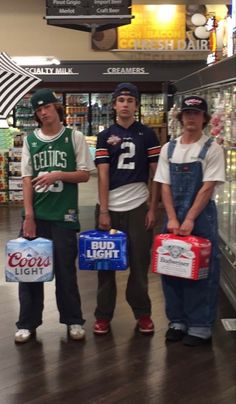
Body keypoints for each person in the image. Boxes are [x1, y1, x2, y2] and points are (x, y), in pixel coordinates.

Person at [15, 88, 95, 343]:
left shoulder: (75, 137)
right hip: (37, 215)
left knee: (65, 272)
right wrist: (29, 215)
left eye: (47, 107)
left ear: (56, 108)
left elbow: (84, 174)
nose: (43, 113)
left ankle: (73, 320)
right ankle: (27, 323)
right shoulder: (31, 140)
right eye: (38, 110)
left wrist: (58, 174)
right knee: (28, 271)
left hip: (65, 216)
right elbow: (27, 180)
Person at [154, 95, 225, 346]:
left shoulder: (212, 148)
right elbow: (164, 186)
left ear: (204, 118)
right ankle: (177, 320)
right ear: (180, 117)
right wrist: (172, 217)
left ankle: (200, 324)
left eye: (196, 114)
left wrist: (190, 218)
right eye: (187, 113)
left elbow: (207, 188)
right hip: (174, 218)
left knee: (202, 270)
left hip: (201, 217)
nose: (191, 118)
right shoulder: (169, 148)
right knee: (171, 266)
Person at [94, 82, 161, 335]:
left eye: (130, 100)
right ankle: (103, 315)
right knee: (104, 264)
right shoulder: (104, 135)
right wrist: (103, 210)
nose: (125, 104)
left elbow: (156, 174)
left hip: (138, 206)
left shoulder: (147, 134)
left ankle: (143, 313)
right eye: (121, 100)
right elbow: (102, 175)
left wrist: (153, 208)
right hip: (110, 206)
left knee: (139, 264)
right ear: (114, 105)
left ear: (136, 105)